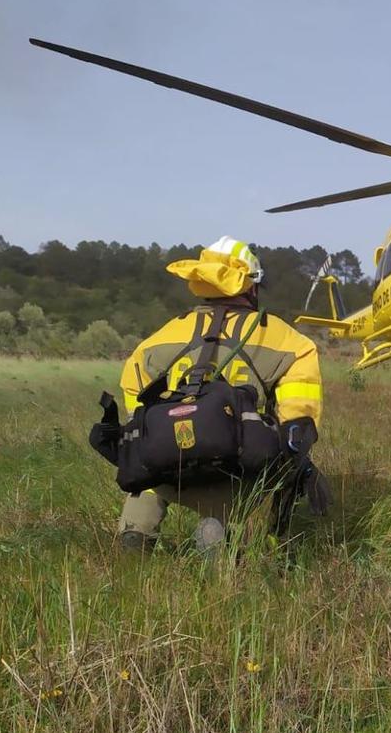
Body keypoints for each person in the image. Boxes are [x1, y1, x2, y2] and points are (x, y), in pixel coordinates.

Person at [116, 235, 327, 552]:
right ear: (252, 286)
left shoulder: (160, 338)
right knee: (286, 459)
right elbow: (298, 422)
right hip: (237, 469)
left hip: (167, 466)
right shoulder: (290, 343)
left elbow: (136, 409)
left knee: (147, 454)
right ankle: (233, 533)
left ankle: (137, 529)